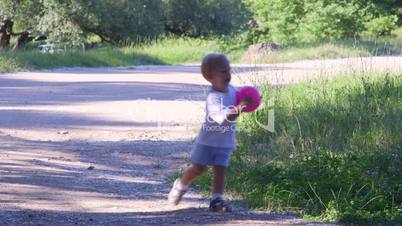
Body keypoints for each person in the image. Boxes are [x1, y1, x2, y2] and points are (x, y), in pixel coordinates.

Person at [168, 53, 251, 212]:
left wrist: (250, 101)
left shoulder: (233, 91)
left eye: (228, 70)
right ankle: (181, 185)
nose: (228, 74)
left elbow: (241, 104)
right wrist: (241, 107)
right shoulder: (213, 98)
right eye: (223, 71)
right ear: (209, 76)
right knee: (199, 168)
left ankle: (216, 200)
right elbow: (225, 118)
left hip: (225, 141)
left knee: (220, 169)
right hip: (207, 141)